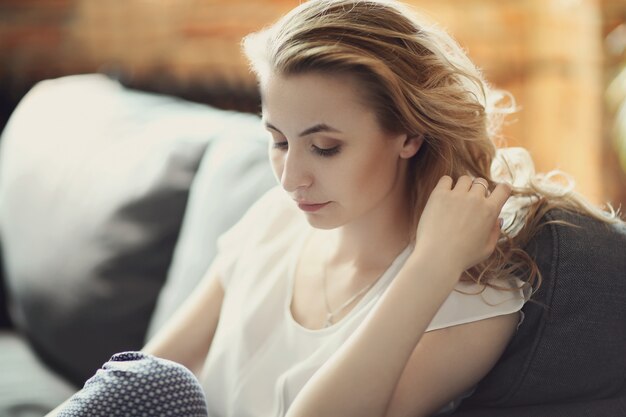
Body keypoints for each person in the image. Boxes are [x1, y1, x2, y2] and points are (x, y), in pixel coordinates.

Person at [47, 1, 621, 416]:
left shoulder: (473, 293)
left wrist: (428, 268)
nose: (292, 177)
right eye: (277, 140)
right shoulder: (275, 218)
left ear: (409, 135)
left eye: (325, 147)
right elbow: (144, 375)